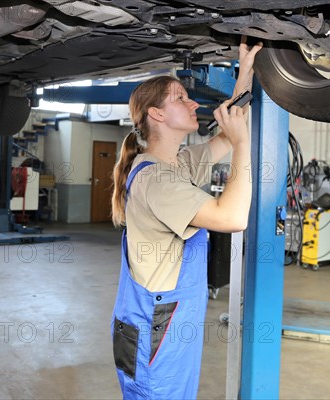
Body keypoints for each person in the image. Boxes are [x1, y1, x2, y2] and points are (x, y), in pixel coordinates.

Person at [110, 39, 263, 399]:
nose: (194, 102)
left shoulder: (178, 163)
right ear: (157, 115)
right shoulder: (156, 180)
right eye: (180, 98)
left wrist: (245, 73)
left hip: (173, 319)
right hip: (157, 328)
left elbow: (227, 133)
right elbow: (233, 216)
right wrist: (244, 146)